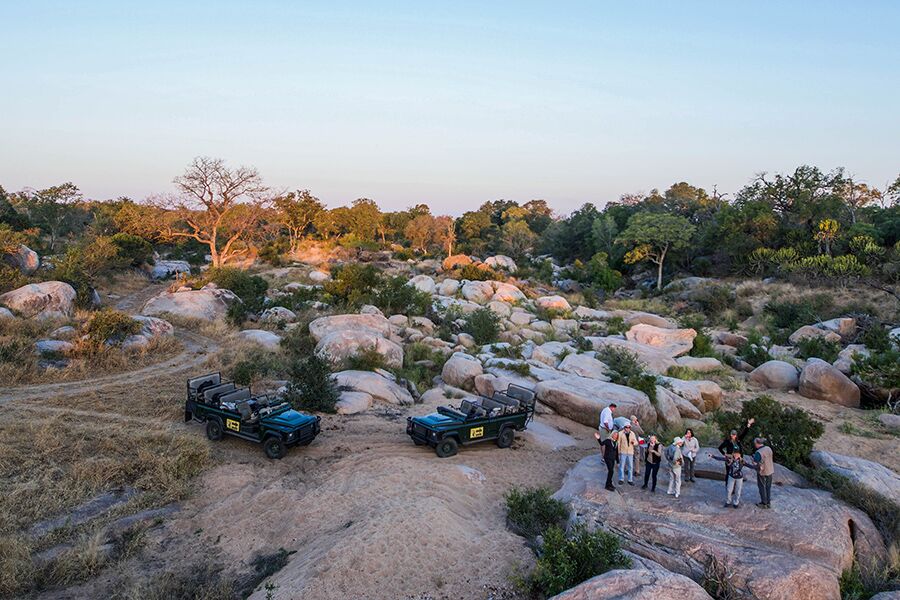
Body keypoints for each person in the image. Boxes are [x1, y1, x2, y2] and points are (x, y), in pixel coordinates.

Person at [718, 418, 755, 482]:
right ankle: (728, 487)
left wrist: (748, 424)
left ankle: (734, 486)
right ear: (730, 434)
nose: (733, 436)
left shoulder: (738, 440)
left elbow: (744, 433)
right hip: (730, 459)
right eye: (732, 434)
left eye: (735, 434)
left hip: (738, 459)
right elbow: (720, 448)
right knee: (728, 473)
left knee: (737, 472)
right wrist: (725, 454)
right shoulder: (727, 441)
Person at [749, 437, 774, 508]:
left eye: (755, 444)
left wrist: (753, 459)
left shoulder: (758, 452)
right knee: (768, 487)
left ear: (757, 443)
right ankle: (768, 502)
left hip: (762, 472)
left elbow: (755, 463)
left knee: (761, 487)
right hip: (770, 470)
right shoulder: (768, 448)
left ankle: (764, 503)